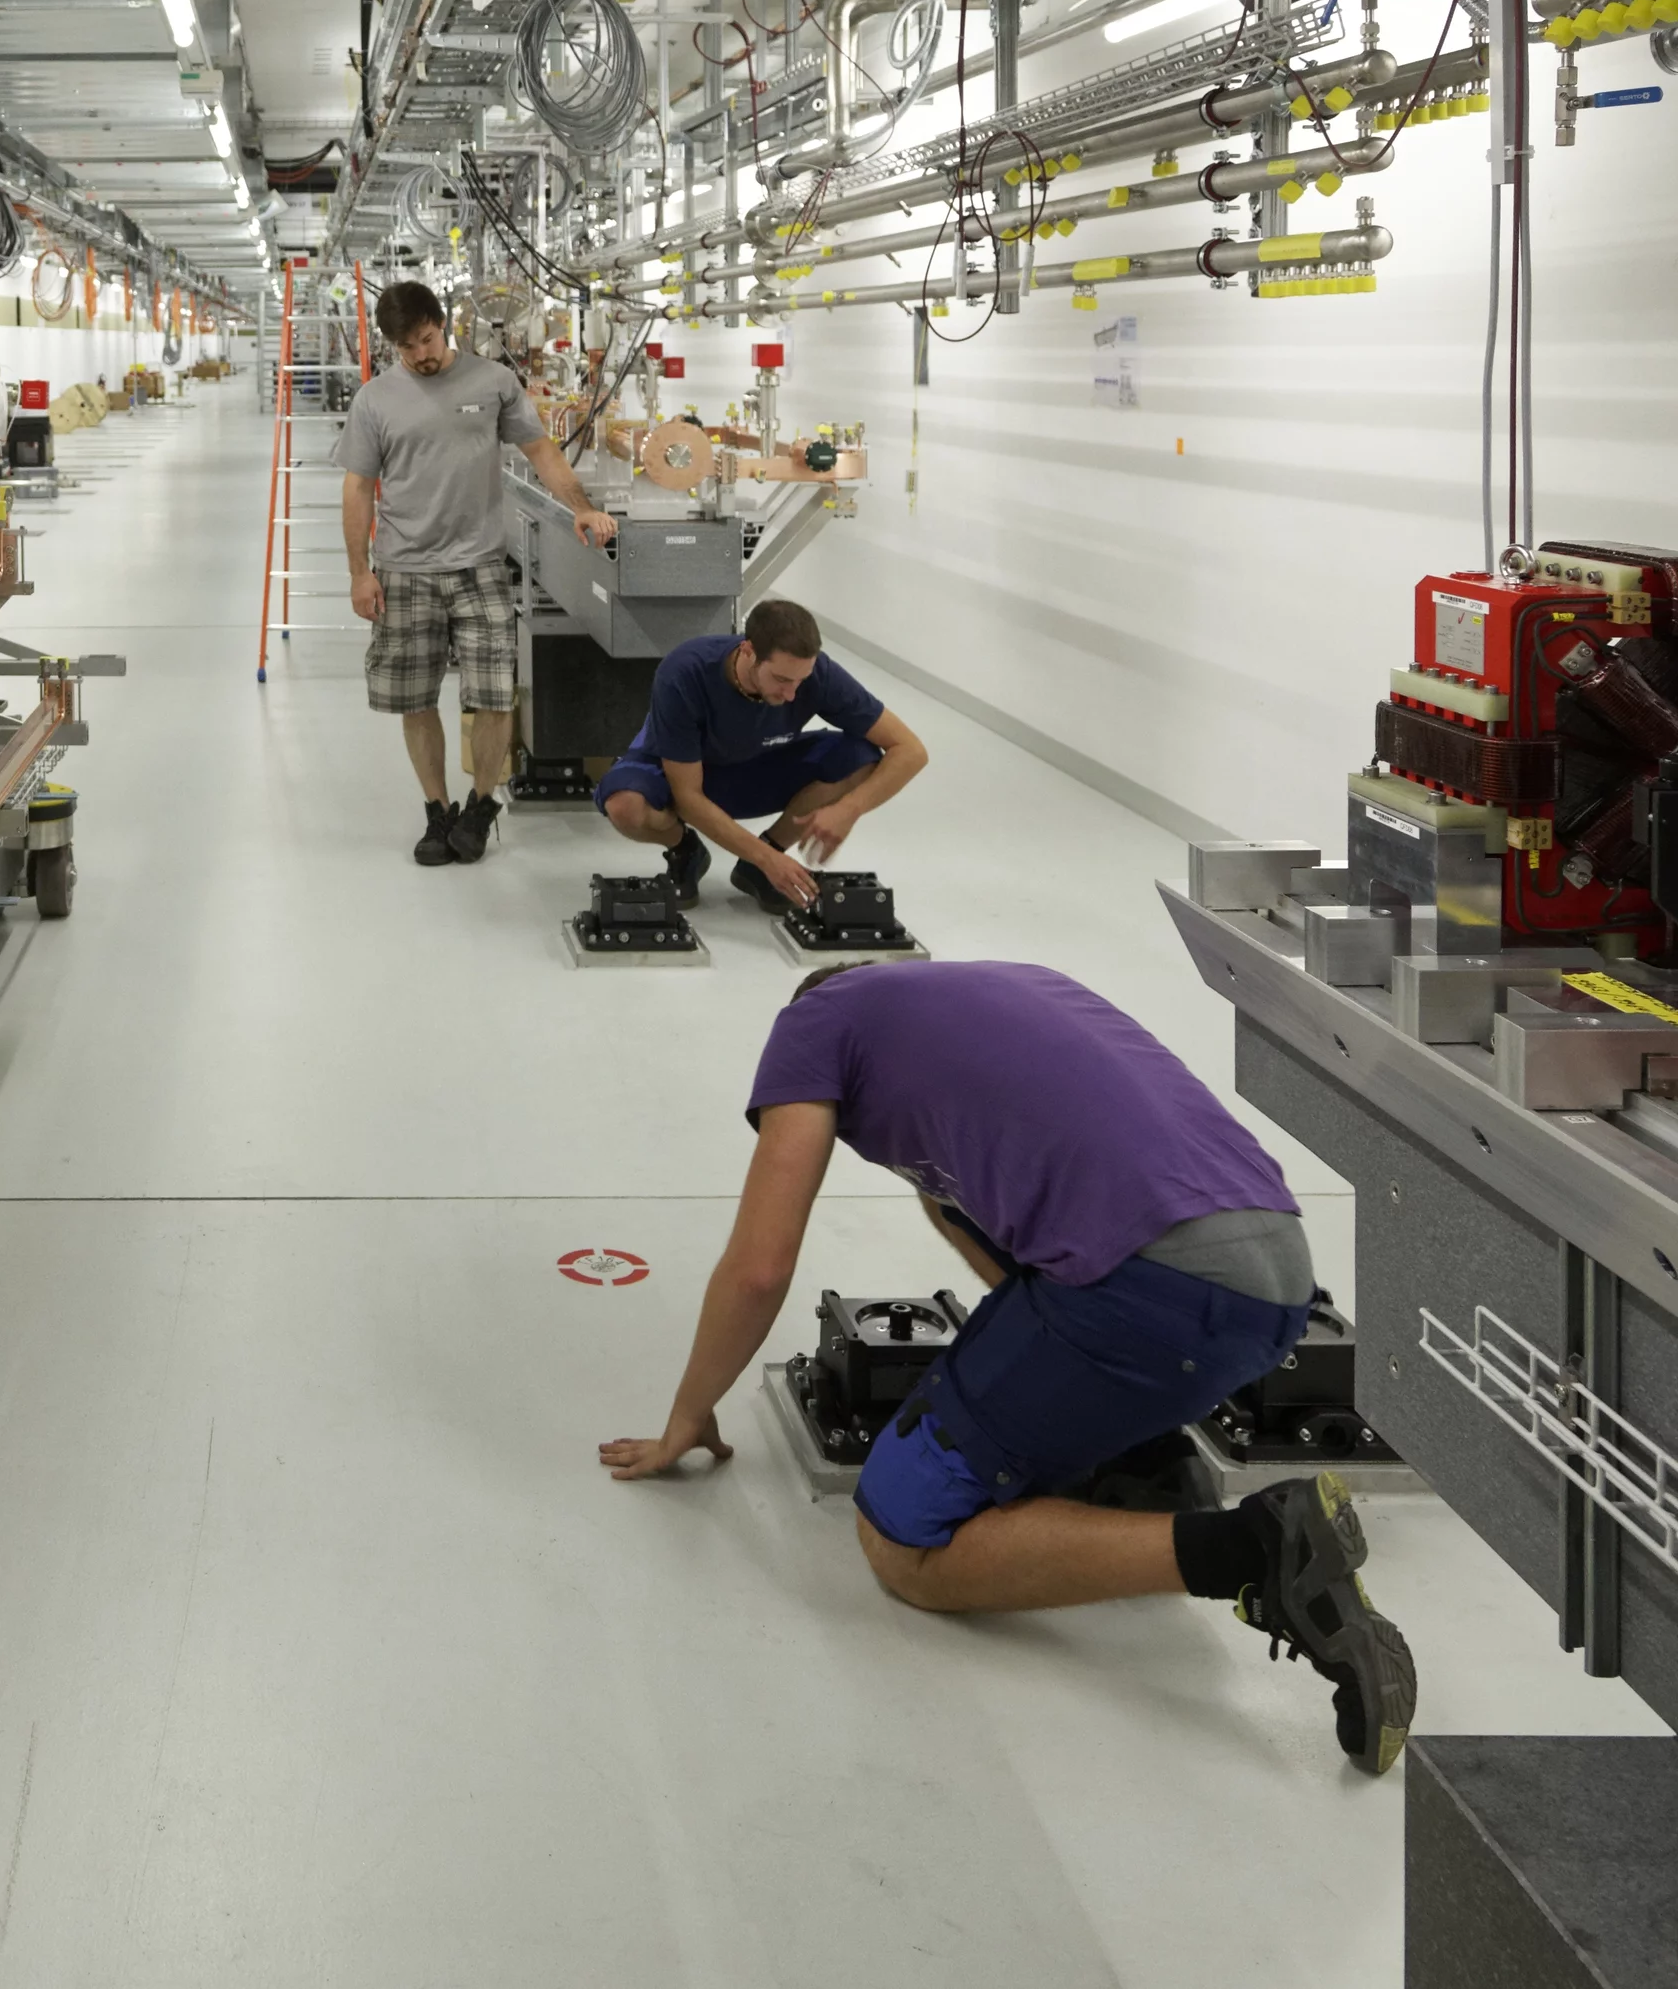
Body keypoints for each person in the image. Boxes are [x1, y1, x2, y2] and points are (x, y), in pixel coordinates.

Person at [599, 960, 1419, 1778]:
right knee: (1055, 1360)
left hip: (1162, 1291)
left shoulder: (815, 1021)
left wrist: (690, 1408)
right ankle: (1144, 1455)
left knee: (900, 1532)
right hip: (1272, 1282)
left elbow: (760, 1266)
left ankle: (1252, 1548)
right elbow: (967, 1209)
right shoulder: (1005, 991)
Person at [342, 280, 619, 866]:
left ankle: (481, 803)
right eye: (406, 347)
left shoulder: (493, 383)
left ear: (444, 325)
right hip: (404, 569)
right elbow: (358, 489)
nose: (421, 354)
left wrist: (583, 505)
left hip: (481, 565)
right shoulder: (374, 400)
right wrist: (358, 572)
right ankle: (437, 811)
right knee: (416, 700)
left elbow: (541, 449)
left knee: (493, 695)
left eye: (427, 339)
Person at [593, 599, 927, 911]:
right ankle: (686, 850)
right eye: (781, 679)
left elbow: (910, 750)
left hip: (753, 763)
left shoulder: (817, 675)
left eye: (801, 680)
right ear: (748, 651)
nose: (792, 692)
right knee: (626, 806)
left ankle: (758, 868)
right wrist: (767, 859)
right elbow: (688, 796)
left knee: (860, 757)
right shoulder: (684, 674)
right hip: (674, 772)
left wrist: (848, 810)